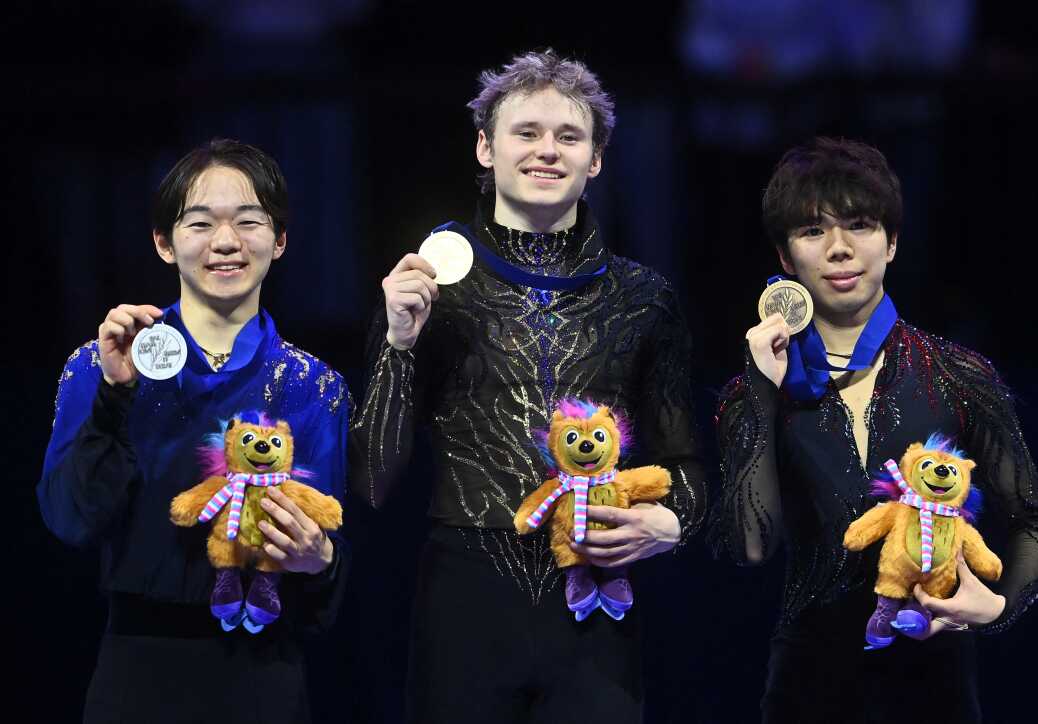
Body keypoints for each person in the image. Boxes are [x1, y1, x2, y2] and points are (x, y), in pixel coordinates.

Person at [350, 49, 706, 723]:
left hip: (595, 604)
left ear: (596, 160)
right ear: (485, 148)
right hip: (464, 606)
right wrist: (398, 343)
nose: (548, 150)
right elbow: (371, 477)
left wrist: (671, 522)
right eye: (527, 133)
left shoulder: (643, 299)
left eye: (569, 136)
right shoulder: (428, 288)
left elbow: (684, 465)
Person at [712, 136, 1038, 722]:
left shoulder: (958, 376)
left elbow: (1036, 525)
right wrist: (761, 391)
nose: (841, 249)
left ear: (892, 242)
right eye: (813, 231)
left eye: (860, 225)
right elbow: (752, 544)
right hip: (806, 692)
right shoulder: (755, 392)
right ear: (785, 258)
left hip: (936, 690)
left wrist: (996, 604)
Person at [38, 138, 351, 724]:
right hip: (136, 675)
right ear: (164, 242)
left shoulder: (314, 385)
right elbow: (70, 520)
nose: (226, 242)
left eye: (250, 222)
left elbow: (323, 566)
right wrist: (115, 394)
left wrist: (322, 559)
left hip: (266, 676)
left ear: (279, 241)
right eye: (200, 223)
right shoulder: (97, 365)